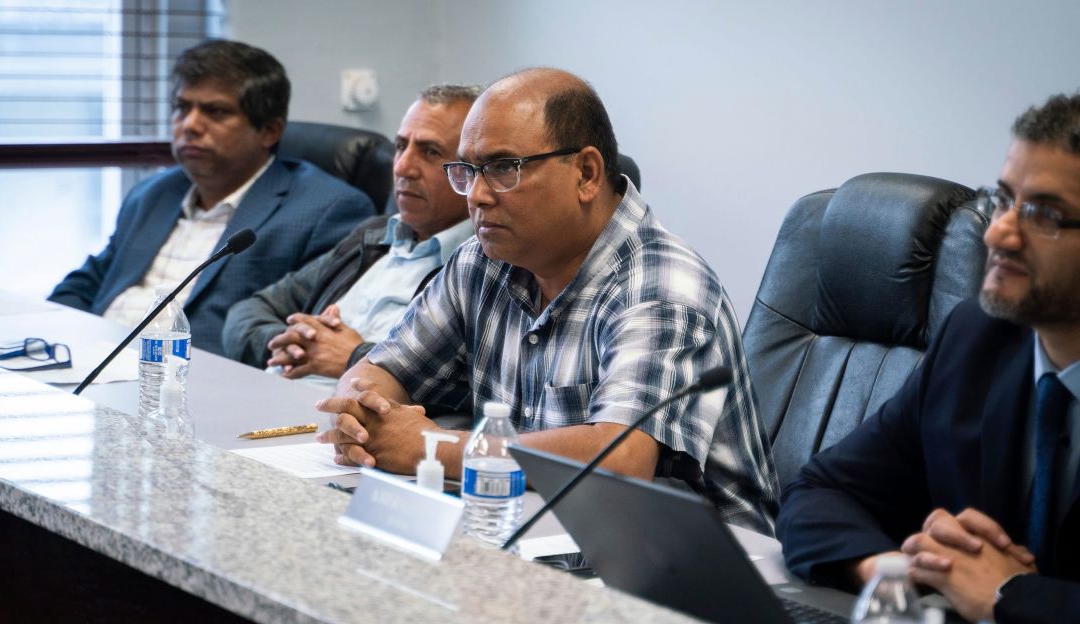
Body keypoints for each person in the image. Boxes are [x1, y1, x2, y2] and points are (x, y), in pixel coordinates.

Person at [315, 68, 779, 534]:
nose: (477, 196)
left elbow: (620, 460)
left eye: (502, 168)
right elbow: (384, 368)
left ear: (586, 174)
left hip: (686, 570)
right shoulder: (483, 261)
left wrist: (434, 447)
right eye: (467, 171)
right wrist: (359, 412)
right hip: (531, 533)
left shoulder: (661, 286)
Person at [777, 93, 1080, 623]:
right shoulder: (978, 339)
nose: (998, 233)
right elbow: (820, 492)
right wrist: (902, 569)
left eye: (1043, 214)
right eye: (1004, 199)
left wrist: (1010, 597)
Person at [48, 40, 374, 356]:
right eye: (181, 108)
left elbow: (300, 335)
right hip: (98, 364)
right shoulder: (153, 193)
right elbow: (86, 284)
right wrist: (72, 343)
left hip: (195, 386)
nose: (189, 125)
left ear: (269, 131)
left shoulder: (326, 210)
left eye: (215, 111)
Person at [222, 85, 479, 379]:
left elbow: (467, 383)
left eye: (430, 152)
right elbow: (250, 310)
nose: (403, 167)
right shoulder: (372, 236)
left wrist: (355, 358)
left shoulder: (482, 264)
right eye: (400, 146)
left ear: (471, 170)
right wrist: (295, 344)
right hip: (277, 397)